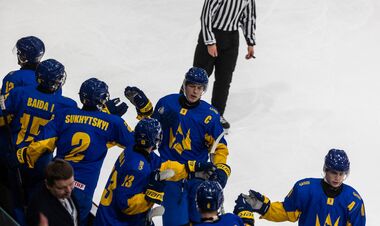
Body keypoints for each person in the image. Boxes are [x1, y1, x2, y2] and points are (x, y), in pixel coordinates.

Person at [17, 78, 139, 226]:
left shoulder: (64, 114)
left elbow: (40, 145)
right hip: (82, 191)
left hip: (56, 182)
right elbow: (138, 143)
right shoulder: (113, 122)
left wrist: (22, 155)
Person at [0, 58, 76, 225]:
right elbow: (80, 124)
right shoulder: (67, 105)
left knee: (16, 200)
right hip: (41, 161)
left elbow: (3, 119)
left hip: (14, 154)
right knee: (37, 200)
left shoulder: (19, 92)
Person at [152, 67, 231, 225]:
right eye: (192, 86)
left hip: (198, 178)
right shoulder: (167, 103)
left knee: (200, 221)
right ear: (184, 85)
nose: (195, 91)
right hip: (171, 176)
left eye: (199, 88)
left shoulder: (209, 115)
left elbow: (219, 147)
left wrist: (221, 168)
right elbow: (150, 131)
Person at [241, 149, 366, 226]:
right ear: (325, 170)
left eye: (341, 174)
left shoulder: (353, 200)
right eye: (334, 172)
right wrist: (263, 207)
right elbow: (287, 211)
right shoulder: (305, 190)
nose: (337, 178)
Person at [192, 0, 257, 129]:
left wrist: (250, 42)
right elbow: (206, 14)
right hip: (212, 33)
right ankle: (183, 108)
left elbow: (249, 17)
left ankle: (216, 115)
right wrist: (210, 42)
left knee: (224, 79)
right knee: (197, 77)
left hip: (232, 39)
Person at [26, 158, 79, 226]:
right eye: (61, 188)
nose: (69, 190)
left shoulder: (67, 189)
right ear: (48, 185)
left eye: (71, 184)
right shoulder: (40, 211)